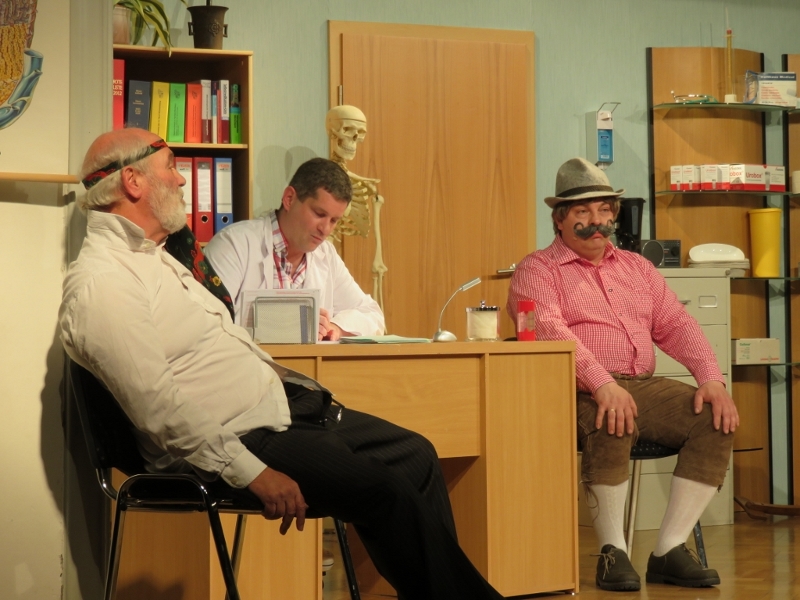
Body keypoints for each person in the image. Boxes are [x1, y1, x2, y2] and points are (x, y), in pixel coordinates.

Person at [60, 128, 504, 600]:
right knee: (385, 489)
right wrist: (251, 471)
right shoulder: (103, 283)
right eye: (170, 166)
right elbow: (156, 406)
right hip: (239, 437)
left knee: (416, 455)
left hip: (279, 409)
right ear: (132, 181)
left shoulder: (158, 259)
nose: (182, 180)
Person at [507, 157, 738, 592]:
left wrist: (711, 377)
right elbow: (547, 330)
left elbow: (677, 324)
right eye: (582, 212)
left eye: (604, 210)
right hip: (571, 390)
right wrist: (602, 383)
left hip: (640, 385)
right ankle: (613, 551)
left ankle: (669, 549)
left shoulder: (637, 267)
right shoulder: (535, 270)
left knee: (715, 417)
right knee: (613, 417)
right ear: (559, 219)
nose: (596, 221)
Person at [204, 157, 384, 340]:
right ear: (289, 199)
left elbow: (373, 314)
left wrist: (335, 327)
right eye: (319, 214)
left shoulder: (326, 255)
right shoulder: (233, 244)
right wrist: (290, 324)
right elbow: (205, 323)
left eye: (334, 220)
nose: (325, 229)